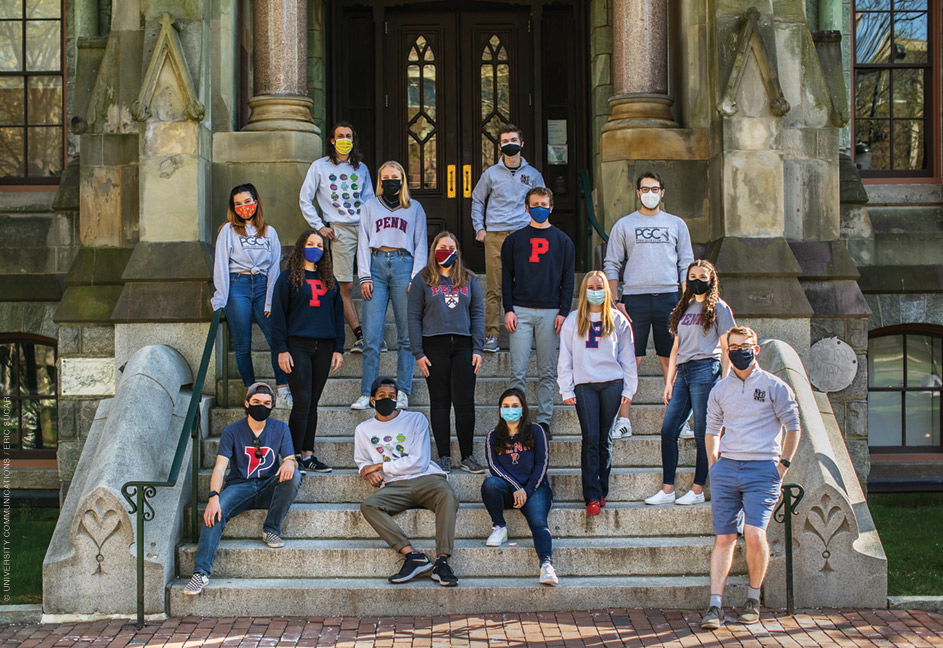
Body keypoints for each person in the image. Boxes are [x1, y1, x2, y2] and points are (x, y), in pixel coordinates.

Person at [699, 326, 801, 629]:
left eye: (745, 345)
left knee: (755, 534)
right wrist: (714, 465)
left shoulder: (775, 386)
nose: (740, 350)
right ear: (727, 350)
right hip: (727, 468)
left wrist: (781, 468)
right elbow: (711, 430)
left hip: (763, 470)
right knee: (725, 537)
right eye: (734, 346)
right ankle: (714, 605)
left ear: (756, 349)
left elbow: (793, 428)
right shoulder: (719, 390)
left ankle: (753, 599)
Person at [183, 383, 301, 595]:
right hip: (239, 486)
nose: (261, 407)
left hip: (268, 486)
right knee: (214, 515)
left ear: (272, 405)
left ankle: (271, 529)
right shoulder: (232, 431)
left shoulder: (280, 428)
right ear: (246, 403)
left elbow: (291, 458)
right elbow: (220, 467)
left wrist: (289, 462)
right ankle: (200, 574)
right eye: (256, 403)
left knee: (294, 475)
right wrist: (213, 497)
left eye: (267, 403)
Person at [603, 171, 694, 439]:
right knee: (632, 360)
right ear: (638, 192)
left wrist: (685, 301)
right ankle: (623, 420)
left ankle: (679, 421)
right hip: (634, 300)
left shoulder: (676, 224)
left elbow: (685, 263)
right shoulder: (624, 225)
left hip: (668, 298)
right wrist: (616, 300)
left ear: (662, 193)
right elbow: (612, 264)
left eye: (655, 189)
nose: (650, 193)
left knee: (671, 360)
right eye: (645, 189)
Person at [645, 260, 736, 506]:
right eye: (692, 275)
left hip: (706, 369)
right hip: (683, 372)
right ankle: (667, 489)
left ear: (711, 279)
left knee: (702, 432)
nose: (697, 279)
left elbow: (728, 347)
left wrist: (725, 382)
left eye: (702, 275)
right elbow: (675, 348)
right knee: (668, 430)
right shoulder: (683, 308)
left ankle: (698, 489)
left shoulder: (719, 308)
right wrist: (668, 382)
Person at [355, 377, 460, 586]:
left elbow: (419, 461)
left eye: (392, 397)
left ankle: (442, 562)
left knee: (448, 496)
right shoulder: (363, 429)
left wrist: (379, 467)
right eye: (382, 396)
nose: (387, 400)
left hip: (427, 479)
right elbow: (362, 460)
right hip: (395, 486)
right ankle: (413, 556)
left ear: (398, 399)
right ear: (372, 400)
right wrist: (366, 472)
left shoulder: (416, 419)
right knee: (369, 505)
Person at [557, 272, 637, 516]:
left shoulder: (617, 319)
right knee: (590, 438)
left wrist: (629, 387)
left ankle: (602, 489)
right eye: (590, 287)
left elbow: (627, 355)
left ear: (606, 290)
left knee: (605, 439)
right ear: (584, 291)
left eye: (599, 287)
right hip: (585, 385)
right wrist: (566, 387)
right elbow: (565, 357)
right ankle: (591, 495)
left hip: (612, 383)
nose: (595, 291)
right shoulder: (573, 319)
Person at [408, 231, 486, 474]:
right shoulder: (422, 280)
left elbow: (477, 314)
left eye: (451, 247)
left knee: (464, 403)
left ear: (457, 251)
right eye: (442, 246)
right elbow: (413, 317)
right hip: (433, 346)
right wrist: (418, 352)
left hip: (463, 345)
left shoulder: (469, 279)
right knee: (440, 402)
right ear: (433, 250)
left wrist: (478, 348)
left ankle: (467, 455)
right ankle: (443, 456)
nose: (446, 250)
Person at [353, 161, 428, 411]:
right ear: (380, 180)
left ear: (403, 180)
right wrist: (363, 276)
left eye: (394, 177)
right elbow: (362, 242)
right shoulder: (370, 206)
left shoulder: (414, 208)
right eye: (385, 177)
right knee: (372, 336)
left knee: (406, 336)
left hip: (404, 265)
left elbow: (421, 245)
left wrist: (415, 277)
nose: (390, 181)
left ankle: (403, 391)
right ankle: (368, 393)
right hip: (375, 265)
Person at [502, 186, 575, 438]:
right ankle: (517, 422)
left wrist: (563, 312)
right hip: (520, 311)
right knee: (518, 371)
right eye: (535, 204)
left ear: (551, 207)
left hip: (550, 311)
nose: (539, 209)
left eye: (544, 204)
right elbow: (505, 278)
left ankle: (543, 422)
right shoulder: (513, 241)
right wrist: (508, 309)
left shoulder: (564, 241)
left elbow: (568, 280)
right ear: (526, 207)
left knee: (546, 370)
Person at [270, 229, 345, 474]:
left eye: (320, 245)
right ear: (301, 246)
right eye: (311, 243)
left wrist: (338, 348)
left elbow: (337, 316)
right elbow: (278, 317)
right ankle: (290, 457)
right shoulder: (287, 278)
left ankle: (308, 454)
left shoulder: (329, 279)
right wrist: (281, 349)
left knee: (312, 402)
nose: (315, 248)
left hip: (323, 347)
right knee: (301, 401)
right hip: (297, 346)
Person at [211, 184, 290, 405]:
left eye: (247, 202)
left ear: (256, 202)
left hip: (263, 284)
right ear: (232, 207)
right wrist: (220, 296)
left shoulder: (269, 231)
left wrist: (269, 300)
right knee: (242, 343)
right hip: (238, 284)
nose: (243, 207)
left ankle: (283, 390)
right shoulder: (227, 231)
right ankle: (252, 392)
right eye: (238, 204)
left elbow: (275, 267)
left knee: (277, 339)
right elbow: (221, 265)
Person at [299, 121, 375, 352]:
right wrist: (320, 226)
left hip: (363, 227)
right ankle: (359, 334)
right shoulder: (319, 167)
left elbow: (370, 200)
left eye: (349, 136)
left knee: (371, 281)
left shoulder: (361, 168)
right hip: (339, 229)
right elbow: (305, 199)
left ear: (354, 140)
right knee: (346, 285)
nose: (345, 139)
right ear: (332, 140)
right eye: (340, 136)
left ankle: (373, 334)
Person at [471, 124, 546, 353]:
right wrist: (479, 228)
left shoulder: (533, 174)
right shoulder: (490, 174)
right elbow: (477, 200)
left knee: (526, 284)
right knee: (494, 287)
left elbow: (543, 201)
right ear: (500, 145)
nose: (509, 144)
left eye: (513, 139)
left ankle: (524, 333)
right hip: (495, 235)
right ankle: (491, 335)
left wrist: (539, 228)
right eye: (505, 141)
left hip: (524, 235)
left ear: (522, 144)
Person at [482, 388, 557, 586]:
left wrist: (527, 490)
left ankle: (546, 565)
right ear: (500, 410)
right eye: (506, 406)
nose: (510, 410)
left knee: (539, 523)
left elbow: (542, 464)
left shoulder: (536, 431)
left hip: (535, 488)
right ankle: (499, 526)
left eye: (515, 406)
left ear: (523, 409)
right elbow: (494, 468)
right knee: (490, 484)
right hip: (508, 490)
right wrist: (516, 487)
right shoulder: (493, 436)